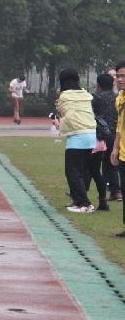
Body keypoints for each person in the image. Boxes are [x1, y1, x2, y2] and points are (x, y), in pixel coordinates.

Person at [56, 68, 104, 213]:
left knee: (73, 172)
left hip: (77, 137)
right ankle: (78, 202)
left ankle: (84, 204)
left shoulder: (64, 96)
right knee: (81, 171)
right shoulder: (86, 94)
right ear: (77, 80)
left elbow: (62, 112)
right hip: (91, 135)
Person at [92, 73, 122, 202]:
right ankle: (116, 191)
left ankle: (103, 192)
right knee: (112, 163)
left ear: (98, 84)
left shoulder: (95, 97)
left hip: (101, 134)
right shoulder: (117, 97)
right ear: (112, 83)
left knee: (96, 164)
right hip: (116, 133)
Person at [110, 61, 125, 237]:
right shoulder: (119, 99)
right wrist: (115, 148)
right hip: (123, 154)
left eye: (123, 76)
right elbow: (120, 126)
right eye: (118, 76)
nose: (120, 79)